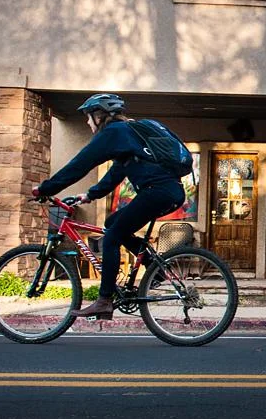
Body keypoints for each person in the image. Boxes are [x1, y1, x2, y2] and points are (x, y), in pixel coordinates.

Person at [32, 94, 186, 319]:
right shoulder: (129, 133)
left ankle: (104, 301)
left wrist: (46, 188)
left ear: (99, 115)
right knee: (112, 223)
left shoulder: (113, 132)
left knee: (112, 237)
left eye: (88, 117)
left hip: (157, 192)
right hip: (169, 191)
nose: (87, 123)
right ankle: (155, 269)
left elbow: (80, 164)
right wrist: (90, 195)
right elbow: (117, 172)